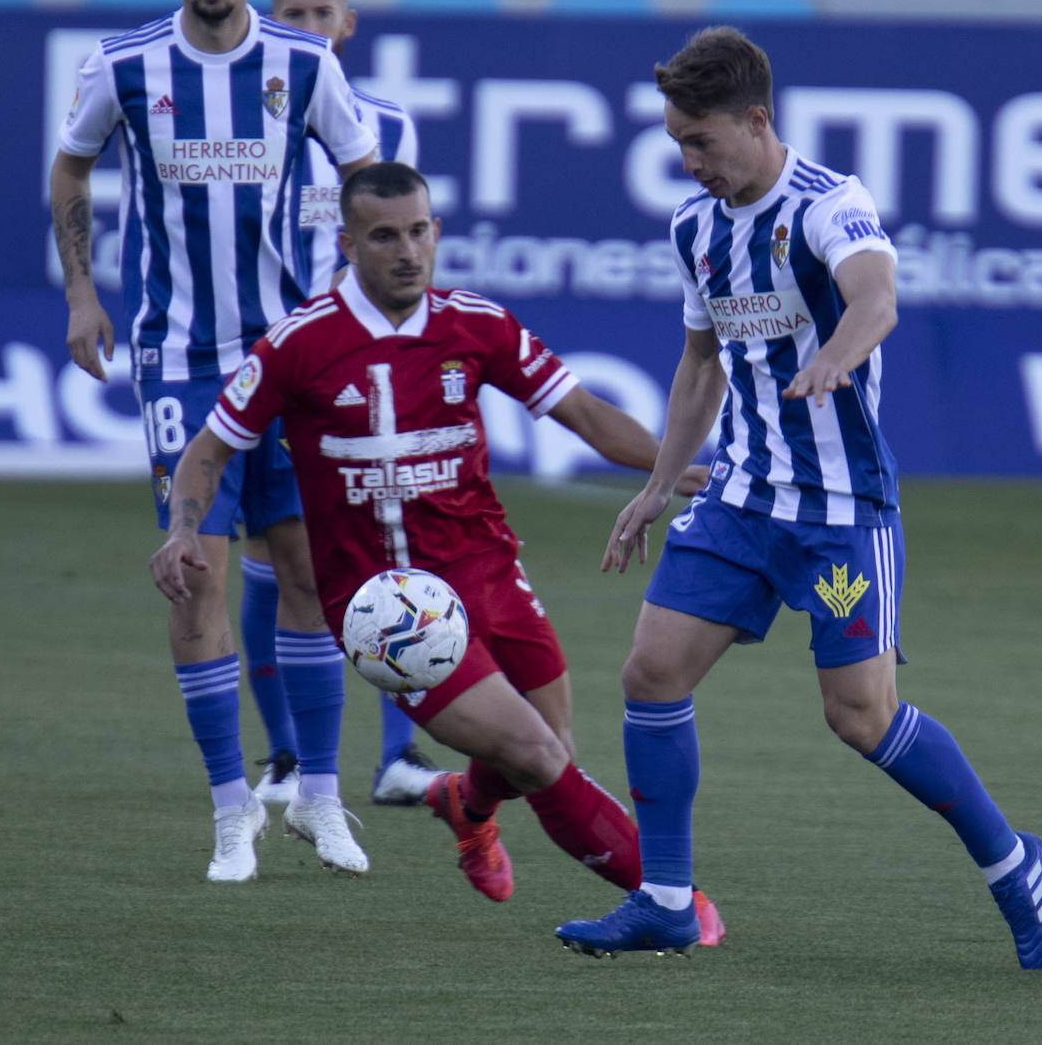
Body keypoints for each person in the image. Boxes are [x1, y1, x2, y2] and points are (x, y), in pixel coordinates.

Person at [554, 27, 1042, 969]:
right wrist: (660, 483)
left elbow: (877, 298)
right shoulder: (693, 227)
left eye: (701, 141)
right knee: (651, 671)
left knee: (859, 716)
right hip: (742, 501)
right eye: (677, 144)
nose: (688, 161)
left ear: (756, 121)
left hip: (840, 513)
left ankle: (1011, 861)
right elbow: (701, 360)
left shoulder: (829, 203)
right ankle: (666, 899)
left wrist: (839, 352)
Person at [150, 162, 724, 944]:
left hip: (485, 566)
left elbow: (583, 410)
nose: (408, 251)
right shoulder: (297, 344)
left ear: (437, 232)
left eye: (419, 230)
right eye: (385, 236)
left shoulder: (477, 323)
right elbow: (209, 449)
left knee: (551, 745)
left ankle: (468, 803)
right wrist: (185, 526)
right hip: (384, 606)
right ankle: (675, 902)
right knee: (533, 752)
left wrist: (670, 469)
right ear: (349, 243)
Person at [50, 0, 378, 883]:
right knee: (194, 572)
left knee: (312, 574)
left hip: (293, 361)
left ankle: (320, 797)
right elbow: (72, 170)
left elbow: (369, 181)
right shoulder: (124, 66)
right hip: (182, 360)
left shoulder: (303, 63)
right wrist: (82, 295)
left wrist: (365, 317)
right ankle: (230, 810)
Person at [236, 0, 439, 810]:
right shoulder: (247, 122)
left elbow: (409, 251)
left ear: (349, 25)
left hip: (367, 370)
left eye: (325, 12)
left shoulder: (388, 124)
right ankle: (284, 756)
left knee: (388, 551)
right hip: (283, 358)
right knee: (273, 559)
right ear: (271, 24)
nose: (312, 27)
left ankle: (397, 754)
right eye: (294, 14)